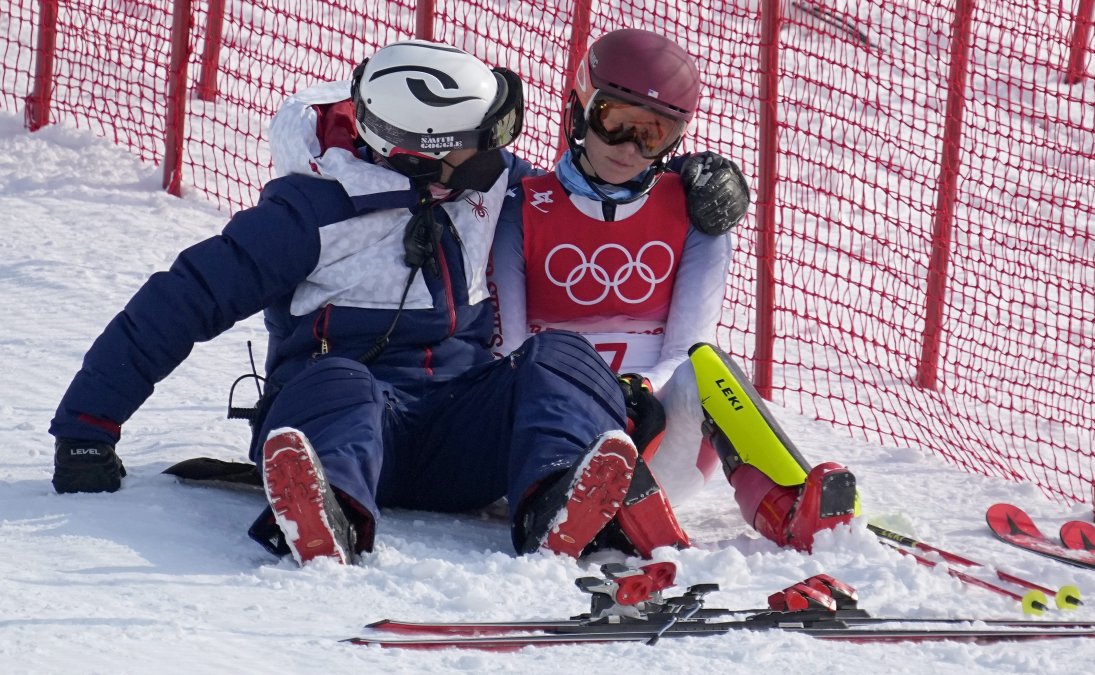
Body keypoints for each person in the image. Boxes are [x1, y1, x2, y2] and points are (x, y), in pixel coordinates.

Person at [49, 39, 749, 566]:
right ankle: (329, 510)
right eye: (484, 142)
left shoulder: (482, 183)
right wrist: (88, 423)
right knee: (340, 379)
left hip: (457, 428)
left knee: (559, 355)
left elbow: (590, 180)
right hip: (347, 426)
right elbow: (184, 299)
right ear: (422, 153)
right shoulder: (309, 216)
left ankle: (562, 499)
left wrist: (690, 178)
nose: (501, 154)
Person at [491, 29, 857, 555]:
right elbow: (510, 348)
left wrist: (638, 392)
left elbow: (690, 343)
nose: (628, 149)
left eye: (653, 134)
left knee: (706, 370)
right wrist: (599, 401)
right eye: (614, 123)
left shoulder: (698, 212)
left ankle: (786, 507)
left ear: (676, 141)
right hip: (546, 432)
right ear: (580, 109)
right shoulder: (523, 206)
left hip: (659, 430)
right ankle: (596, 510)